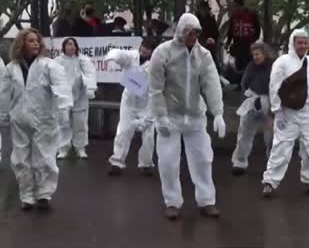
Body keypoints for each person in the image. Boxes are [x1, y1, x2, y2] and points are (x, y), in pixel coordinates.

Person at [149, 13, 225, 220]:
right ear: (181, 31)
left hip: (195, 115)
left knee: (202, 159)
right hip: (170, 117)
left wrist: (218, 112)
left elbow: (211, 84)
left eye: (197, 32)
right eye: (190, 32)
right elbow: (155, 88)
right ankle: (172, 202)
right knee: (168, 161)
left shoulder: (204, 55)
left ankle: (207, 200)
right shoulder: (162, 53)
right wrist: (160, 116)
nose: (194, 36)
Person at [261, 29, 309, 197]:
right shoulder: (282, 62)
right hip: (288, 113)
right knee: (281, 148)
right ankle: (270, 182)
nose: (303, 46)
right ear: (293, 43)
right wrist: (277, 110)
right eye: (300, 42)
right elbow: (274, 86)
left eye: (305, 42)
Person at [0, 28, 73, 211]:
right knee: (20, 159)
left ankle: (43, 194)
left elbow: (61, 86)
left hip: (44, 118)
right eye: (31, 40)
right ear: (21, 43)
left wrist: (64, 108)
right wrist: (3, 114)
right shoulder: (11, 68)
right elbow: (4, 93)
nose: (36, 44)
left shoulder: (49, 65)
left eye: (37, 41)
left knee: (45, 158)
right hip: (19, 119)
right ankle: (26, 196)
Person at [105, 37, 159, 176]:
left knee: (148, 135)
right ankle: (116, 162)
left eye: (148, 49)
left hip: (146, 104)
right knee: (123, 131)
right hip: (129, 102)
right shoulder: (132, 56)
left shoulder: (156, 64)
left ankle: (146, 164)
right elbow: (119, 54)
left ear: (152, 51)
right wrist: (111, 58)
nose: (144, 50)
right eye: (143, 46)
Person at [231, 42, 274, 176]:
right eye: (253, 54)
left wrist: (272, 112)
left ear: (264, 54)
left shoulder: (274, 66)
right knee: (244, 133)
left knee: (272, 136)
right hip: (253, 99)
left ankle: (273, 164)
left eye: (257, 54)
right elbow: (244, 82)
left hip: (270, 101)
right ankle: (239, 162)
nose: (255, 57)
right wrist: (247, 98)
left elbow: (277, 87)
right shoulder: (252, 66)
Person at [54, 38, 97, 159]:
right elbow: (52, 76)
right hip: (63, 96)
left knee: (80, 123)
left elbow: (90, 73)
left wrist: (90, 88)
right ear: (64, 47)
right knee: (63, 123)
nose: (71, 47)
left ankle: (80, 148)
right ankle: (63, 148)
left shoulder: (83, 60)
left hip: (80, 96)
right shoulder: (57, 61)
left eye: (73, 45)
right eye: (69, 44)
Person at [225, 0, 261, 75]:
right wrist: (228, 42)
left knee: (248, 66)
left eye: (236, 6)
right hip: (237, 44)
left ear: (241, 6)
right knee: (239, 65)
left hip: (248, 45)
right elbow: (230, 31)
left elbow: (257, 29)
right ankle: (240, 83)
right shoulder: (234, 16)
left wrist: (253, 40)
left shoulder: (252, 15)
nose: (235, 8)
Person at [195, 1, 219, 69]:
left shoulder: (210, 19)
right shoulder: (197, 19)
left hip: (209, 45)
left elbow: (215, 33)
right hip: (199, 45)